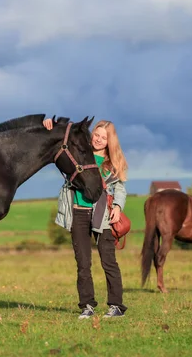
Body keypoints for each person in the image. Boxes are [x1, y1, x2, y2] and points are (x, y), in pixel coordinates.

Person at [43, 117, 129, 319]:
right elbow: (64, 134)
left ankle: (116, 306)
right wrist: (49, 124)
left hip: (103, 215)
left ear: (110, 142)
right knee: (83, 263)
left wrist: (117, 206)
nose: (98, 140)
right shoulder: (81, 153)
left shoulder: (112, 163)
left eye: (103, 137)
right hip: (78, 211)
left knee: (108, 262)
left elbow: (120, 190)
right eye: (96, 135)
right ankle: (87, 306)